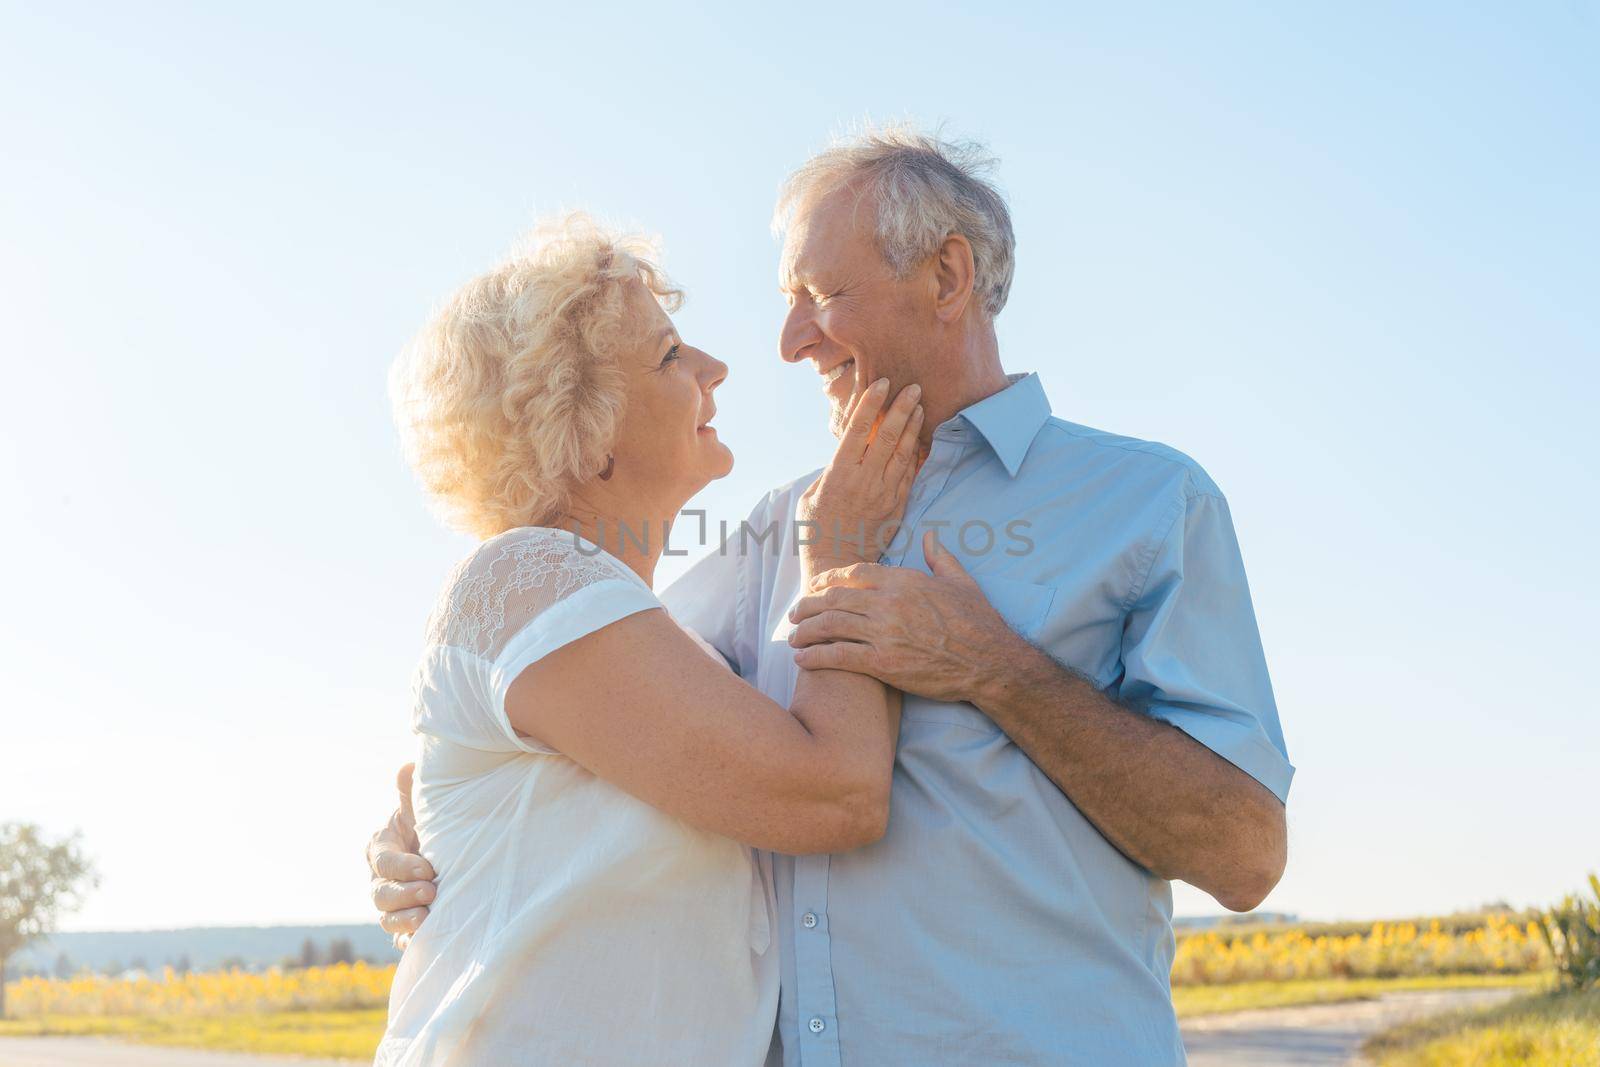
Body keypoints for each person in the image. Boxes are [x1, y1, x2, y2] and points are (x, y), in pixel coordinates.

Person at [372, 127, 1294, 1065]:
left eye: (819, 296)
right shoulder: (786, 529)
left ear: (947, 277)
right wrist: (417, 819)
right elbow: (581, 708)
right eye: (786, 303)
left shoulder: (1147, 504)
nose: (787, 341)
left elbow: (1247, 854)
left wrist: (999, 669)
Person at [373, 214, 924, 1066]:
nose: (715, 369)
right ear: (585, 434)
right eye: (670, 357)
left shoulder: (654, 632)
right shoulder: (532, 576)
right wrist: (842, 550)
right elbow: (837, 793)